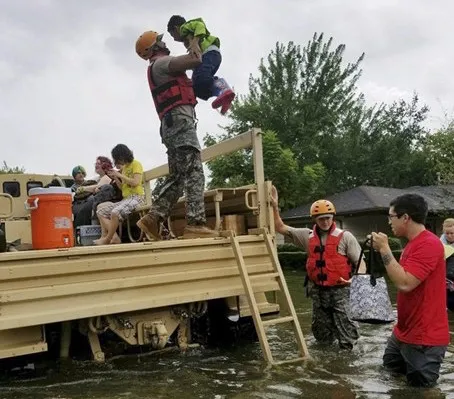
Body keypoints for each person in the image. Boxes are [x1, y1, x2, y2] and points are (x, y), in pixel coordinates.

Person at [135, 30, 218, 240]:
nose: (166, 44)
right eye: (161, 41)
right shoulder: (162, 63)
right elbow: (196, 59)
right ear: (154, 48)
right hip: (180, 123)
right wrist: (194, 39)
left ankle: (153, 218)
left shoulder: (157, 67)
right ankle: (195, 224)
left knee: (178, 177)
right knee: (194, 172)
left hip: (171, 125)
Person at [270, 186, 366, 350]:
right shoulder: (306, 236)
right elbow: (280, 227)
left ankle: (349, 361)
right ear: (315, 219)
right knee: (321, 334)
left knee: (347, 330)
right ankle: (325, 361)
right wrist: (274, 207)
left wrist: (355, 279)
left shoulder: (345, 237)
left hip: (341, 290)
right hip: (318, 292)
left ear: (333, 217)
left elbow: (361, 262)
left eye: (328, 218)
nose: (325, 221)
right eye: (321, 218)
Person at [370, 194, 449, 387]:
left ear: (405, 217)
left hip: (424, 339)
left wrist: (384, 249)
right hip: (403, 332)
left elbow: (405, 283)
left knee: (420, 392)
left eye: (391, 216)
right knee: (390, 377)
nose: (389, 222)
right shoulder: (413, 244)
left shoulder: (429, 244)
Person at [167, 15, 235, 115]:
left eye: (173, 35)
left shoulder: (184, 27)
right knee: (196, 87)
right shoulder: (188, 36)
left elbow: (200, 25)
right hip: (208, 57)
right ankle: (223, 96)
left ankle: (223, 88)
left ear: (176, 28)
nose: (174, 39)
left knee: (202, 77)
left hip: (210, 53)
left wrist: (195, 41)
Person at [94, 144, 145, 245]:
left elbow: (136, 182)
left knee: (115, 213)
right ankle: (112, 237)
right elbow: (123, 188)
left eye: (117, 158)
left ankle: (109, 239)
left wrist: (120, 175)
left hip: (137, 197)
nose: (117, 161)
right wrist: (116, 178)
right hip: (127, 199)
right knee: (100, 211)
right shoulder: (125, 168)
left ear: (122, 155)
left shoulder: (136, 164)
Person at [73, 156, 114, 229]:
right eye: (96, 163)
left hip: (101, 201)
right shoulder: (97, 178)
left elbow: (98, 187)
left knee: (88, 203)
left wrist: (83, 188)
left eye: (99, 163)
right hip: (92, 201)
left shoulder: (107, 177)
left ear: (105, 165)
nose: (96, 165)